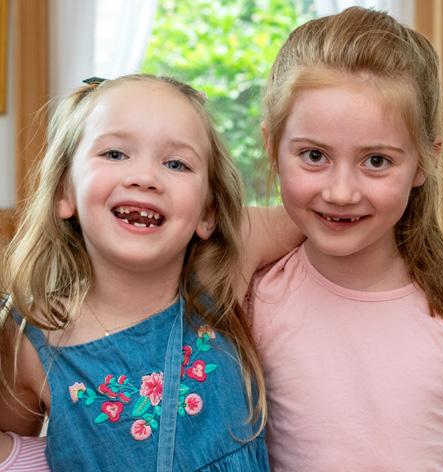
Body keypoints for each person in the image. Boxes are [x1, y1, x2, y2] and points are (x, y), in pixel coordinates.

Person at [248, 7, 443, 471]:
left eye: (376, 161)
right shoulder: (255, 297)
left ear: (424, 161)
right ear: (272, 148)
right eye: (314, 155)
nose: (341, 192)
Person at [0, 74, 300, 471]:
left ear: (207, 212)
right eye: (114, 154)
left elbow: (315, 210)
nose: (144, 178)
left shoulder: (221, 268)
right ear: (64, 190)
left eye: (176, 163)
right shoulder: (31, 336)